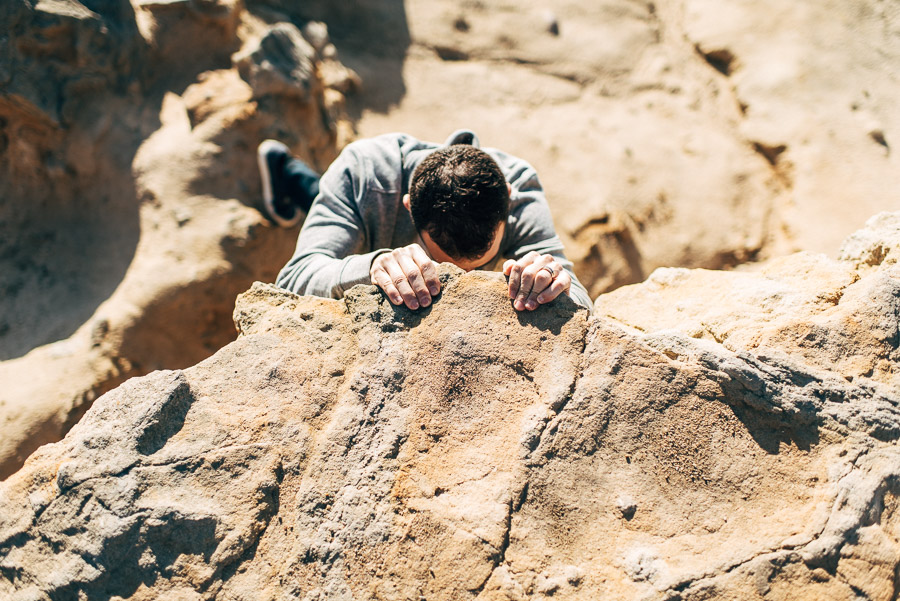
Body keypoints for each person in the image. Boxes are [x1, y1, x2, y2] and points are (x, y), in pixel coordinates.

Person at [258, 130, 592, 313]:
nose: (456, 280)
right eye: (441, 264)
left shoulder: (519, 184)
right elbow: (293, 279)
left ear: (508, 199)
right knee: (319, 194)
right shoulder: (363, 172)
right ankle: (284, 169)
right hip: (366, 206)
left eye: (479, 264)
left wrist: (553, 283)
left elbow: (580, 299)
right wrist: (374, 265)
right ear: (408, 208)